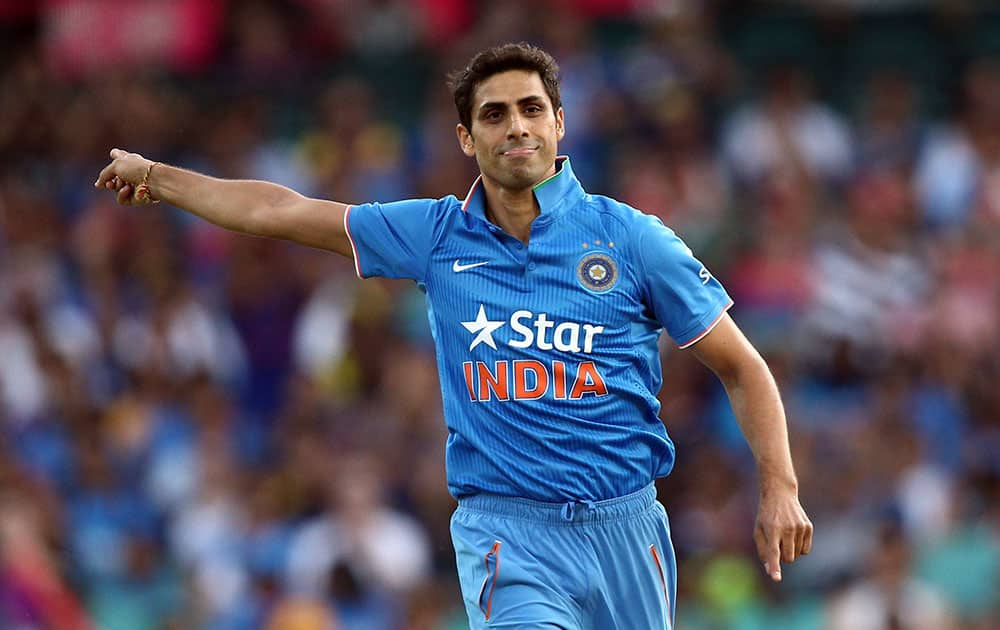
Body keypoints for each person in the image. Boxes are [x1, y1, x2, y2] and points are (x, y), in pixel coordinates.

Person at [95, 42, 812, 629]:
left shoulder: (632, 240)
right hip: (509, 532)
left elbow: (742, 366)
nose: (517, 128)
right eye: (494, 115)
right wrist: (159, 176)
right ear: (467, 138)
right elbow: (281, 209)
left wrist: (780, 486)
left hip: (627, 527)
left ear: (560, 122)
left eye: (533, 109)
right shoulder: (436, 235)